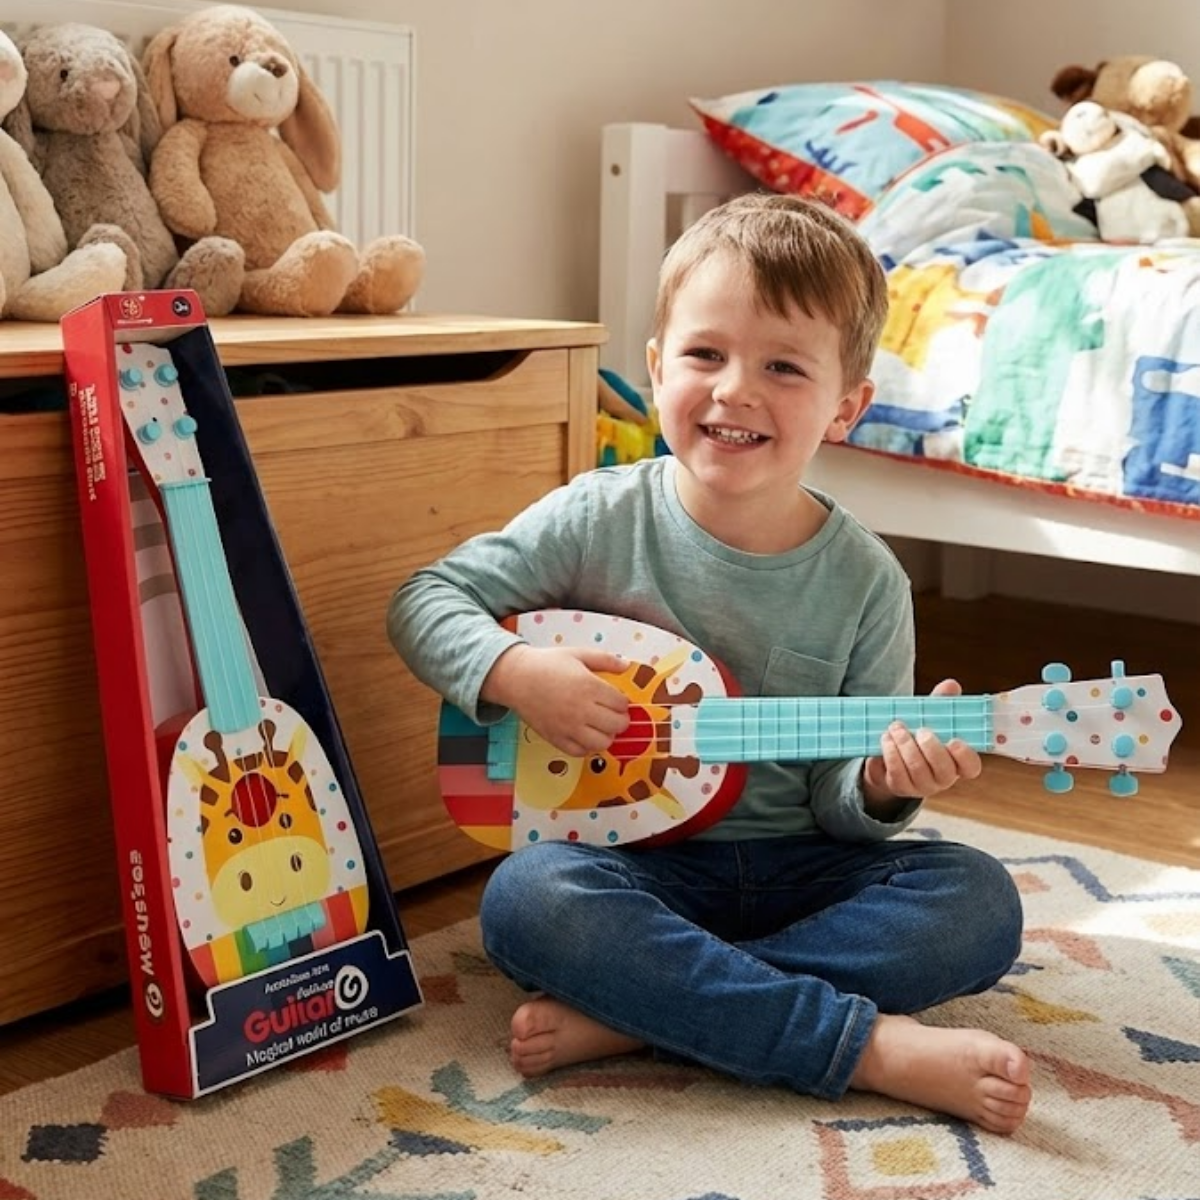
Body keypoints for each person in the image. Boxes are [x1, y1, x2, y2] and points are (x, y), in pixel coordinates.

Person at [388, 194, 1031, 1134]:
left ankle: (644, 1012)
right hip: (632, 866)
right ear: (656, 369)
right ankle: (866, 1047)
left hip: (802, 871)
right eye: (704, 354)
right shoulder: (594, 517)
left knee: (977, 900)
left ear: (846, 406)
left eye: (782, 365)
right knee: (530, 901)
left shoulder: (867, 583)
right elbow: (424, 599)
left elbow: (840, 810)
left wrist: (886, 786)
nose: (735, 389)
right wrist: (516, 672)